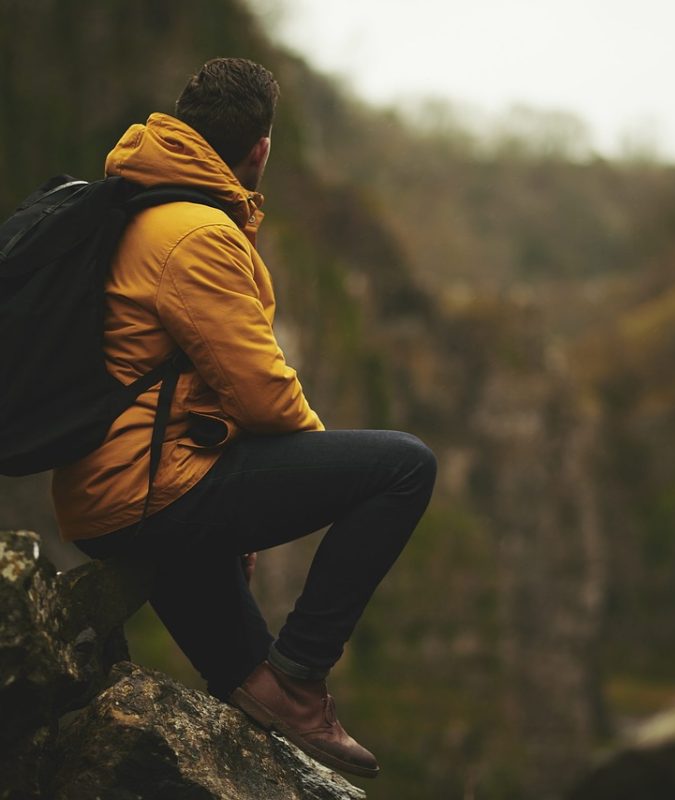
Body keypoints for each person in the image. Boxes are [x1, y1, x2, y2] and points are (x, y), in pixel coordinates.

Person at [51, 57, 436, 780]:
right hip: (146, 492)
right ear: (259, 149)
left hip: (113, 493)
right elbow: (261, 392)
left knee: (252, 697)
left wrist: (241, 499)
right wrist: (302, 482)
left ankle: (279, 695)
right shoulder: (195, 233)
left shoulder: (136, 204)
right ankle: (304, 674)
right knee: (404, 466)